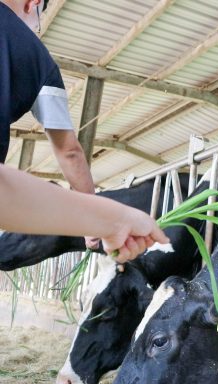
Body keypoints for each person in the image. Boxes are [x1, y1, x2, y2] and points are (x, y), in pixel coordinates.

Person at [0, 0, 168, 262]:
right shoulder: (39, 61)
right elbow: (69, 152)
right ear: (32, 4)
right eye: (39, 19)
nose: (36, 28)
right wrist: (98, 220)